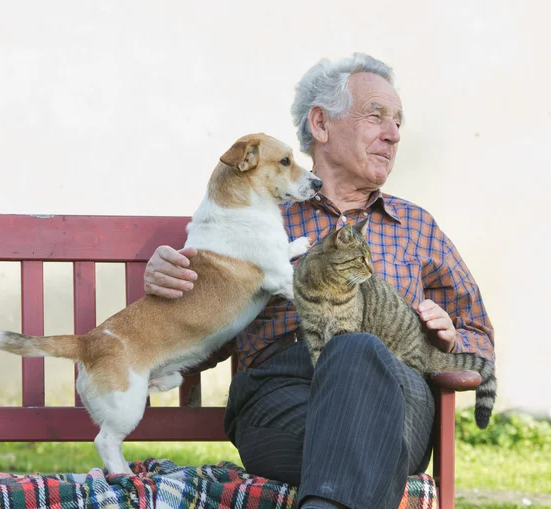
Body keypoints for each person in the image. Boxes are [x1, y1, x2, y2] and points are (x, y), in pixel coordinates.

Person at [143, 53, 494, 509]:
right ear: (321, 124)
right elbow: (187, 344)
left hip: (396, 392)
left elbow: (479, 340)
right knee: (360, 434)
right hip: (282, 396)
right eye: (377, 117)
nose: (394, 134)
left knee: (356, 348)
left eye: (399, 123)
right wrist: (169, 288)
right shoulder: (255, 221)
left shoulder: (416, 225)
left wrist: (447, 337)